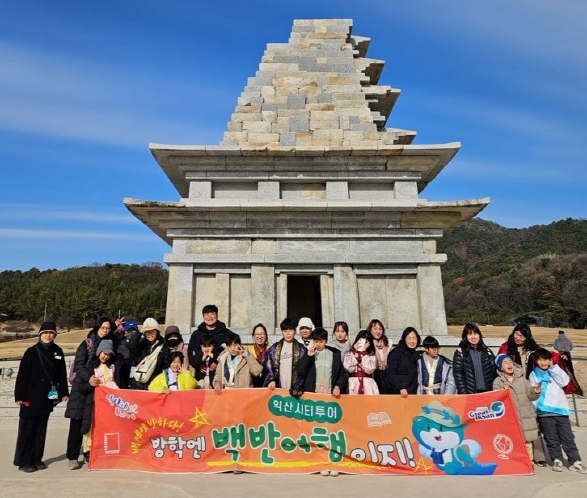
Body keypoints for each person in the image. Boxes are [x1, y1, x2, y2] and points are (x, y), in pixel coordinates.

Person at [13, 321, 69, 473]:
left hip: (47, 396)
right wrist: (19, 396)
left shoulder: (58, 351)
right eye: (45, 333)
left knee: (41, 429)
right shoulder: (31, 351)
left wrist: (64, 392)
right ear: (40, 335)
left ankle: (37, 458)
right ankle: (24, 461)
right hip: (30, 396)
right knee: (27, 430)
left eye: (51, 333)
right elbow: (22, 375)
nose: (48, 336)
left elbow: (61, 374)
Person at [65, 317, 116, 469]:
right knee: (77, 423)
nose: (105, 330)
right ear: (97, 327)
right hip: (81, 388)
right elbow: (79, 365)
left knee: (94, 423)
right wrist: (89, 377)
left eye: (108, 328)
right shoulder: (87, 344)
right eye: (102, 327)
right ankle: (72, 456)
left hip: (98, 390)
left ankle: (90, 452)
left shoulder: (109, 344)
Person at [529, 348, 587, 473]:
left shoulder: (555, 370)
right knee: (551, 438)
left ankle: (575, 461)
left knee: (567, 437)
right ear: (536, 361)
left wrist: (553, 367)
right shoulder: (533, 374)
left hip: (560, 410)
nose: (543, 362)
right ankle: (557, 459)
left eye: (546, 359)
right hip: (544, 412)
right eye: (540, 360)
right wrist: (534, 411)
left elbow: (564, 382)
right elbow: (533, 395)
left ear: (550, 360)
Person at [493, 354, 541, 464]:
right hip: (510, 417)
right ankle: (518, 463)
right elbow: (496, 399)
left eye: (510, 362)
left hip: (525, 416)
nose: (509, 364)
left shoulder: (522, 380)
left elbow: (530, 395)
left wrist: (535, 392)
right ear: (500, 367)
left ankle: (529, 462)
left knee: (527, 441)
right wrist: (503, 391)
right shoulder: (498, 381)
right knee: (514, 440)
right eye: (505, 363)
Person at [79, 340, 122, 462]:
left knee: (110, 426)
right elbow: (81, 387)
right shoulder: (91, 367)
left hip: (112, 403)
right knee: (93, 426)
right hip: (95, 403)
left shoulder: (114, 367)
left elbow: (120, 383)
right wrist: (90, 383)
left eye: (108, 354)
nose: (105, 356)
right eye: (104, 353)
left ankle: (107, 449)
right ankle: (89, 449)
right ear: (99, 352)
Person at [297, 327, 348, 397]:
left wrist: (338, 386)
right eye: (316, 342)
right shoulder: (309, 353)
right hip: (312, 394)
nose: (318, 344)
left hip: (330, 394)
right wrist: (308, 357)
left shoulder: (335, 354)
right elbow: (300, 371)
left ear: (326, 341)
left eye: (321, 342)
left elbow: (342, 374)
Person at [263, 318, 307, 391]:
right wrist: (271, 380)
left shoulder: (302, 350)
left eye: (290, 330)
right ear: (282, 332)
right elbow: (268, 366)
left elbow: (304, 371)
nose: (288, 333)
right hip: (278, 387)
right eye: (285, 331)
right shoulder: (273, 349)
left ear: (295, 331)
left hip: (296, 389)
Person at [452, 323, 496, 394]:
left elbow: (495, 370)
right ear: (465, 337)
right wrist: (463, 392)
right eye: (470, 334)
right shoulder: (460, 353)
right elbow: (458, 374)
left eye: (475, 333)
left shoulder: (487, 351)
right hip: (470, 393)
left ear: (479, 335)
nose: (473, 337)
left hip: (488, 392)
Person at [127, 317, 168, 390]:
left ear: (157, 331)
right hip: (138, 383)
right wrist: (140, 332)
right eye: (147, 331)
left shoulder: (164, 347)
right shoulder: (141, 345)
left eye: (152, 331)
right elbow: (131, 346)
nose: (150, 334)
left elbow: (165, 366)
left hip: (154, 384)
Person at [187, 304, 231, 368]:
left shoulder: (226, 333)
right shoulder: (196, 334)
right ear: (203, 317)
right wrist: (199, 364)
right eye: (206, 314)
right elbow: (190, 353)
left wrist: (217, 362)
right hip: (201, 371)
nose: (210, 317)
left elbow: (232, 350)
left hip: (221, 369)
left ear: (217, 315)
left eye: (212, 314)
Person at [386, 326, 421, 397]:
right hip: (398, 393)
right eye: (409, 338)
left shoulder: (416, 354)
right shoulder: (396, 353)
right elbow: (391, 372)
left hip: (413, 393)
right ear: (404, 339)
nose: (412, 341)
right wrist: (400, 387)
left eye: (414, 338)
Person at [342, 330, 379, 395]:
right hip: (353, 382)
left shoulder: (372, 356)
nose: (363, 344)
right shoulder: (350, 354)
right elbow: (349, 368)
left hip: (368, 383)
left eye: (366, 342)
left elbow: (369, 369)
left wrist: (363, 353)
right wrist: (354, 351)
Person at [367, 319, 391, 394]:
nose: (378, 331)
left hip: (386, 375)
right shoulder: (367, 344)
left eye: (380, 329)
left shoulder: (388, 343)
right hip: (373, 376)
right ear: (370, 330)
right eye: (375, 329)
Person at [247, 323, 270, 387]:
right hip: (253, 385)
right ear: (253, 337)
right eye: (257, 334)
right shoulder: (248, 352)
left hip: (268, 384)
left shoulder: (271, 350)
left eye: (262, 334)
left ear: (266, 336)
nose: (259, 337)